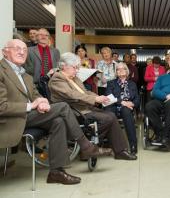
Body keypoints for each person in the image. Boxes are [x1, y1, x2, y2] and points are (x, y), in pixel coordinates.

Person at [0, 39, 108, 185]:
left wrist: (42, 101)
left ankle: (56, 172)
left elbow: (35, 94)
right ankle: (86, 146)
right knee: (63, 107)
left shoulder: (26, 75)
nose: (22, 52)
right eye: (17, 48)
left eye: (25, 50)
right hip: (11, 119)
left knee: (58, 122)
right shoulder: (1, 71)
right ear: (5, 51)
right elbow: (2, 106)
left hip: (28, 116)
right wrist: (31, 105)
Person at [48, 52, 137, 160]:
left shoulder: (74, 78)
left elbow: (85, 92)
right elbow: (72, 94)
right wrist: (95, 99)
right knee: (108, 118)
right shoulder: (57, 79)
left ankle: (120, 151)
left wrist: (100, 97)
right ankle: (87, 146)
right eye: (75, 68)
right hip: (73, 112)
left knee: (110, 116)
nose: (77, 70)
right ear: (65, 66)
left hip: (84, 108)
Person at [105, 62, 140, 155]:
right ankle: (111, 145)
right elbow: (109, 97)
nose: (120, 70)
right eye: (118, 69)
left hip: (127, 108)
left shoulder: (132, 84)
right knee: (109, 113)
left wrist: (132, 103)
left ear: (127, 71)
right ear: (116, 72)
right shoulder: (111, 83)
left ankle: (133, 145)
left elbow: (137, 99)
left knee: (127, 112)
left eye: (123, 68)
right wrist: (122, 102)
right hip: (114, 106)